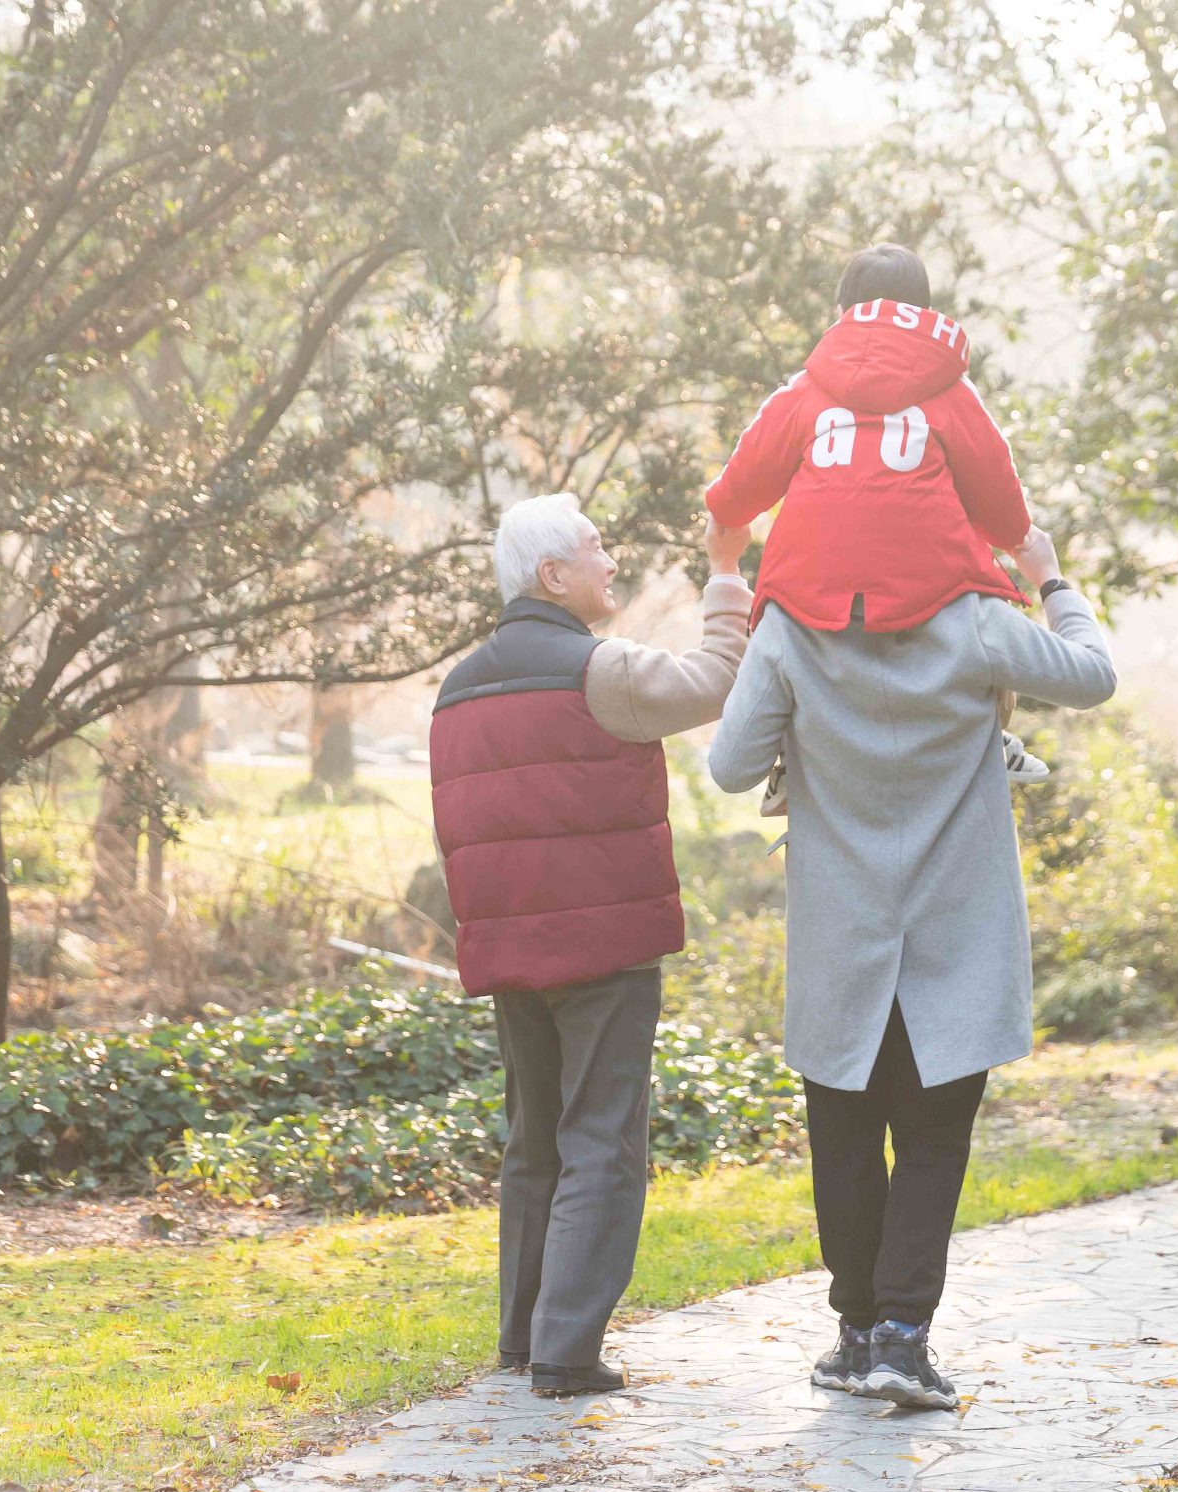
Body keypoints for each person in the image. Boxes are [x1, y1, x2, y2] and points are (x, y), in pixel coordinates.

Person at [708, 522, 1114, 1410]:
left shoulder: (789, 630)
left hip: (841, 936)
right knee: (932, 1141)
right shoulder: (973, 619)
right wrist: (1047, 575)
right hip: (955, 937)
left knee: (844, 1138)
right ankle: (900, 1338)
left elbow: (729, 765)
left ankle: (857, 1337)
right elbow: (1094, 674)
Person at [429, 493, 753, 1398]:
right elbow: (716, 679)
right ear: (553, 575)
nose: (611, 562)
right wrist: (726, 575)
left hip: (509, 951)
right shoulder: (598, 669)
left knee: (535, 1139)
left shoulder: (456, 687)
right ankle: (568, 1351)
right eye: (596, 548)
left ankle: (524, 1337)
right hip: (603, 950)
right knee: (602, 1140)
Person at [705, 241, 1051, 807]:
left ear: (842, 311)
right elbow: (1000, 497)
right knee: (988, 618)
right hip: (933, 587)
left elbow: (736, 493)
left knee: (785, 635)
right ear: (924, 311)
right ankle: (992, 729)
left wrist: (725, 529)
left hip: (810, 592)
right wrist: (1015, 543)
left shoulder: (805, 390)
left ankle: (787, 752)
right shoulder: (952, 392)